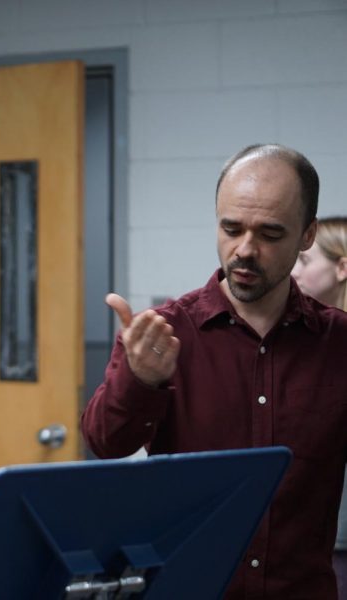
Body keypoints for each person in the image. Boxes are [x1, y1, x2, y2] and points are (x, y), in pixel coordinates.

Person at [81, 144, 347, 599]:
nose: (245, 249)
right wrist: (140, 381)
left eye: (270, 233)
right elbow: (105, 443)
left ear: (307, 236)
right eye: (231, 228)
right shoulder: (162, 332)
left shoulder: (338, 343)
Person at [291, 216, 347, 599]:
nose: (294, 272)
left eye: (306, 262)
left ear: (342, 267)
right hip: (314, 541)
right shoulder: (311, 338)